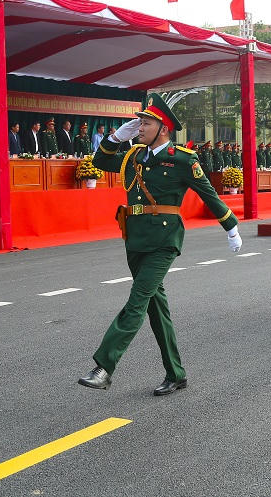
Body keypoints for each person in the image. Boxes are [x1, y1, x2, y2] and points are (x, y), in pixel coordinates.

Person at [78, 94, 241, 395]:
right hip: (135, 238)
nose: (140, 127)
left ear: (163, 128)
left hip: (164, 241)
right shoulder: (134, 157)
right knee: (156, 308)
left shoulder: (182, 159)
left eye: (146, 123)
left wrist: (231, 227)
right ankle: (176, 373)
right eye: (139, 122)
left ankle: (104, 366)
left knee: (138, 300)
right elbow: (100, 161)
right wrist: (116, 137)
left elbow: (208, 194)